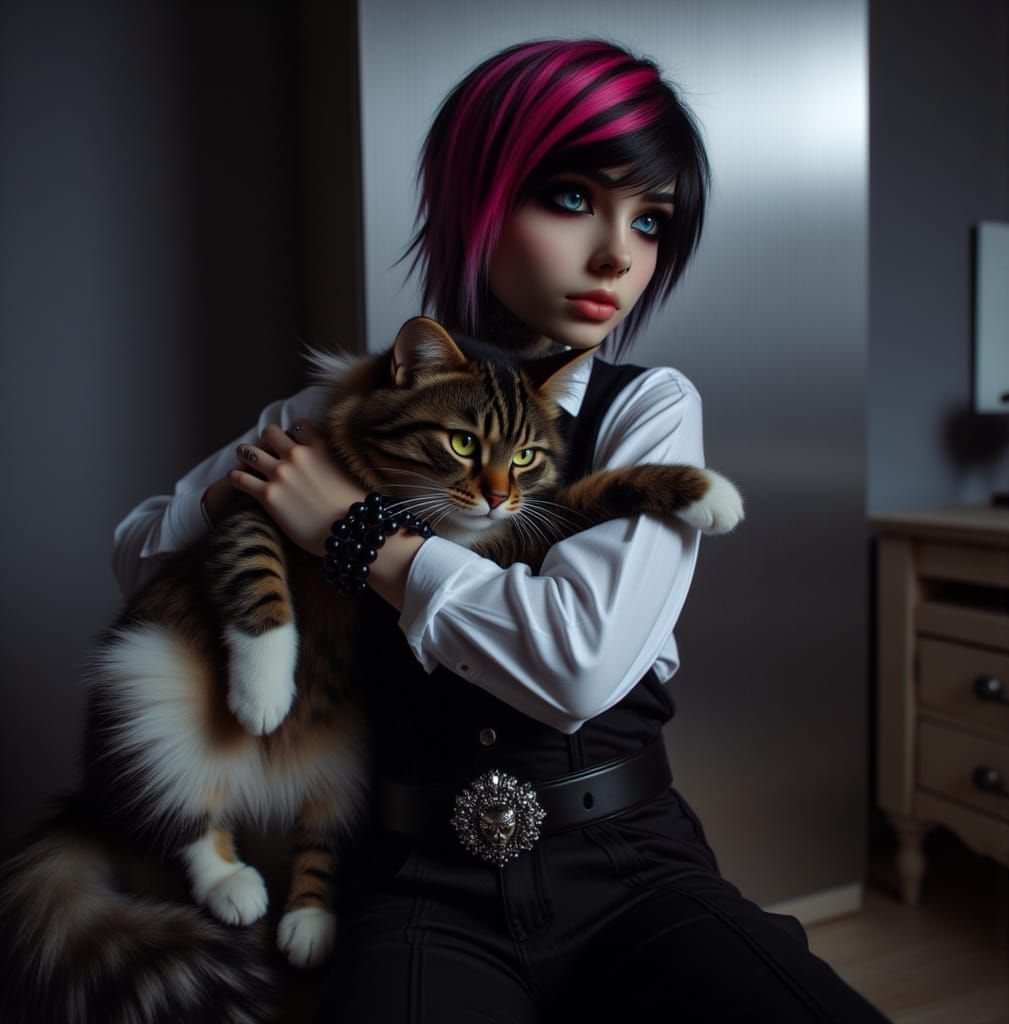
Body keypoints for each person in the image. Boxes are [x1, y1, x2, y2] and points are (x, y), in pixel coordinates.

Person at [113, 38, 889, 1023]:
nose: (618, 255)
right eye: (572, 198)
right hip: (412, 875)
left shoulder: (645, 407)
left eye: (650, 219)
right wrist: (251, 486)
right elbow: (133, 554)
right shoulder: (346, 402)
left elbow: (572, 664)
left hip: (631, 863)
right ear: (476, 198)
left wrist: (351, 534)